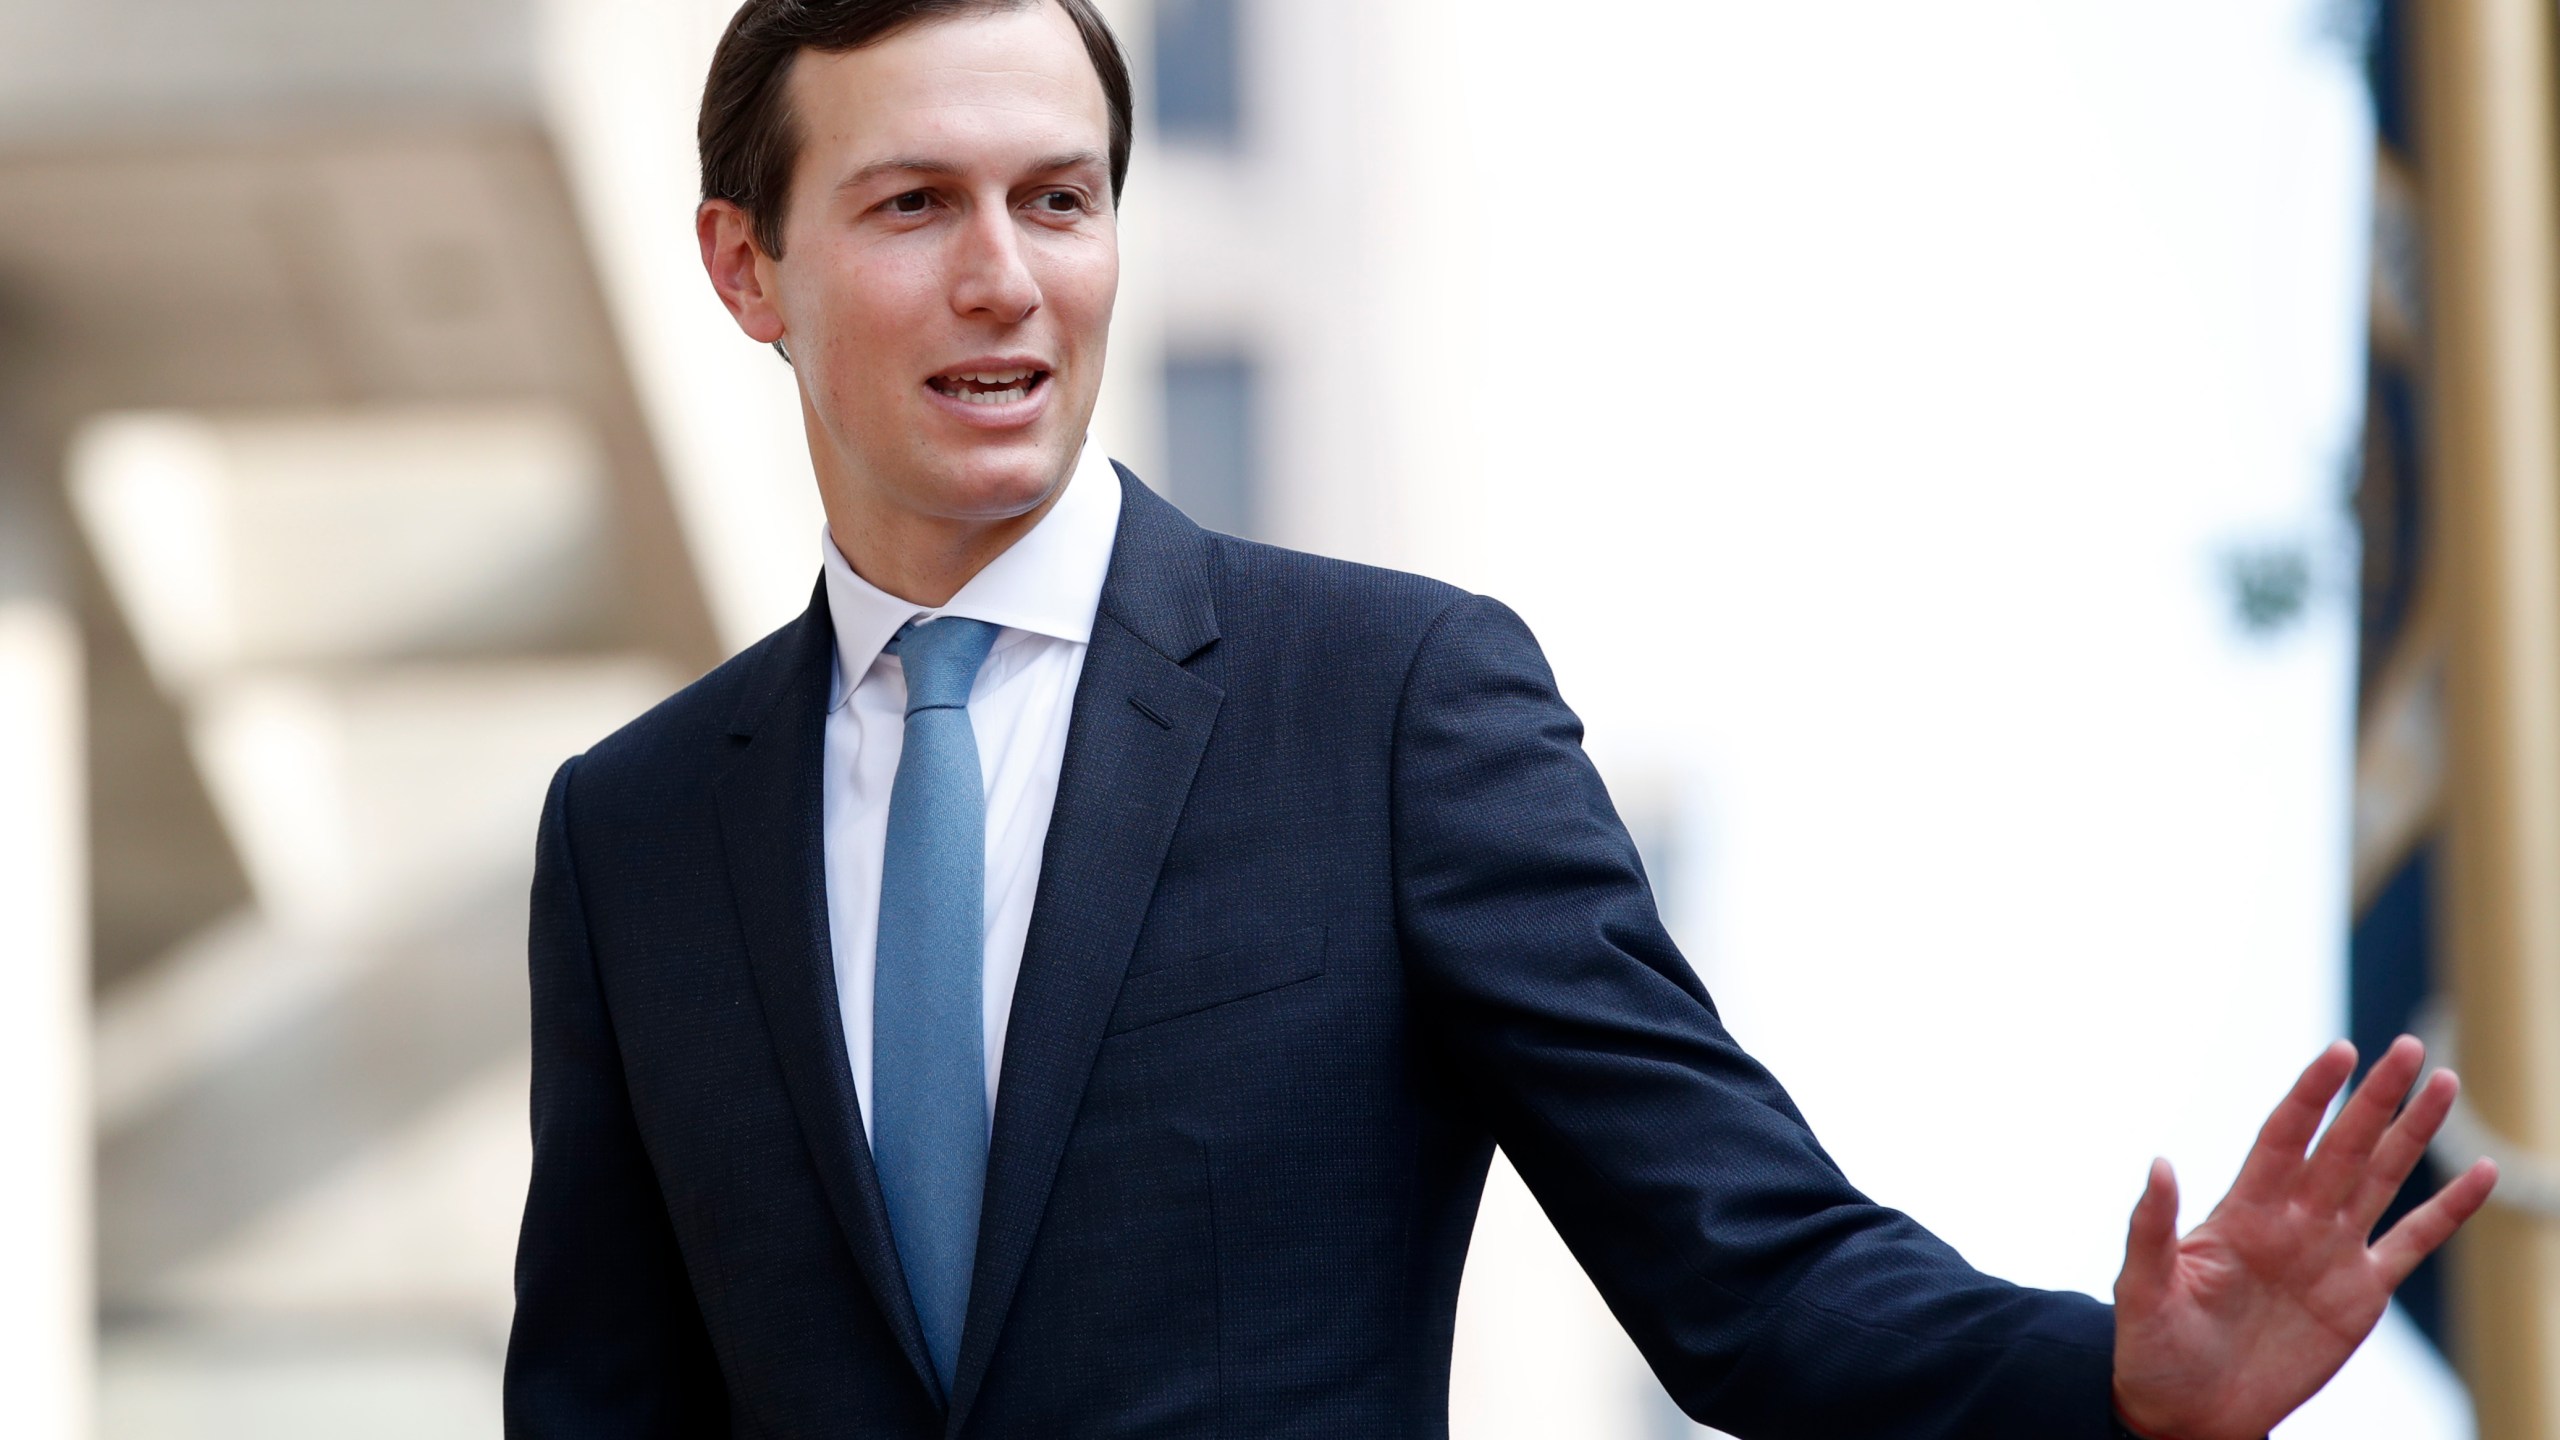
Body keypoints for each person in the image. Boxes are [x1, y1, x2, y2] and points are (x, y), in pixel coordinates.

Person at [500, 2, 2500, 1436]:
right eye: (915, 207)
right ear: (744, 267)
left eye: (1059, 198)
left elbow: (1745, 1264)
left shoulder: (1384, 706)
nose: (1006, 281)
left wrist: (2108, 1382)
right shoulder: (634, 831)